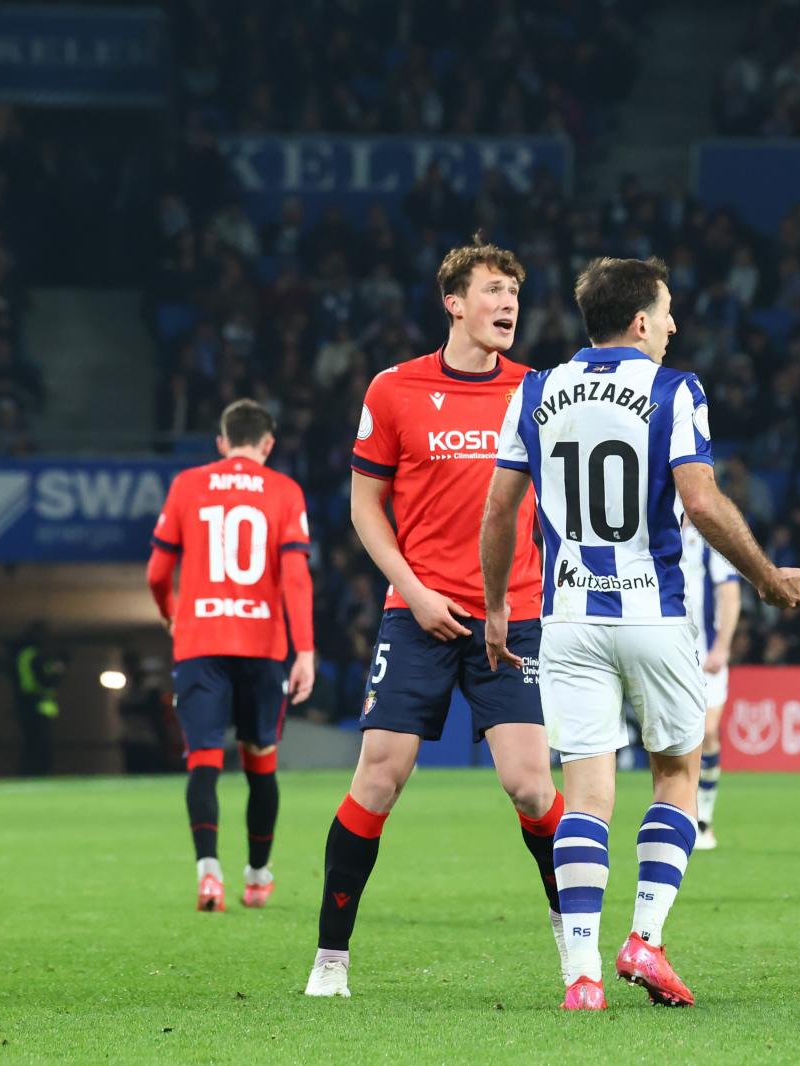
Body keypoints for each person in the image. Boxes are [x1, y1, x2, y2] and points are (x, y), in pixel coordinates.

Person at [481, 256, 800, 1011]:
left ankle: (580, 977)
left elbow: (500, 509)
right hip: (651, 612)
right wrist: (765, 576)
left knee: (587, 796)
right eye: (666, 312)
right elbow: (699, 502)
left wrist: (499, 604)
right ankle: (644, 939)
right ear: (640, 320)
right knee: (676, 773)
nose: (672, 325)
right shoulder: (674, 389)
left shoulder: (534, 390)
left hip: (565, 618)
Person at [306, 238, 560, 1000]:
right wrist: (412, 590)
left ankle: (571, 942)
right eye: (492, 289)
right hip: (417, 616)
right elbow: (363, 507)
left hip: (512, 619)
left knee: (529, 787)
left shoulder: (541, 392)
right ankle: (329, 960)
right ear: (454, 302)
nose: (508, 302)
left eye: (514, 290)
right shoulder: (395, 390)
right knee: (379, 777)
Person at [148, 399, 316, 911]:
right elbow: (294, 576)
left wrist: (170, 611)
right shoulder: (285, 491)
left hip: (200, 642)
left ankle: (208, 875)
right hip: (263, 646)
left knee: (202, 760)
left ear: (221, 442)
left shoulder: (187, 486)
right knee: (260, 764)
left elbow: (157, 572)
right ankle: (258, 876)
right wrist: (304, 649)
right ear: (268, 444)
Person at [681, 519, 742, 850]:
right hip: (665, 651)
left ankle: (703, 817)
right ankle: (681, 814)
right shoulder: (651, 527)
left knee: (708, 733)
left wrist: (722, 645)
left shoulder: (711, 540)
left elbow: (730, 595)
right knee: (676, 738)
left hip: (706, 654)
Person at [12, 623, 62, 776]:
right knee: (39, 743)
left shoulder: (24, 654)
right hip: (36, 704)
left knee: (32, 742)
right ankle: (37, 772)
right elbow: (43, 680)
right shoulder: (35, 655)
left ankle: (32, 771)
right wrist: (56, 673)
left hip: (28, 703)